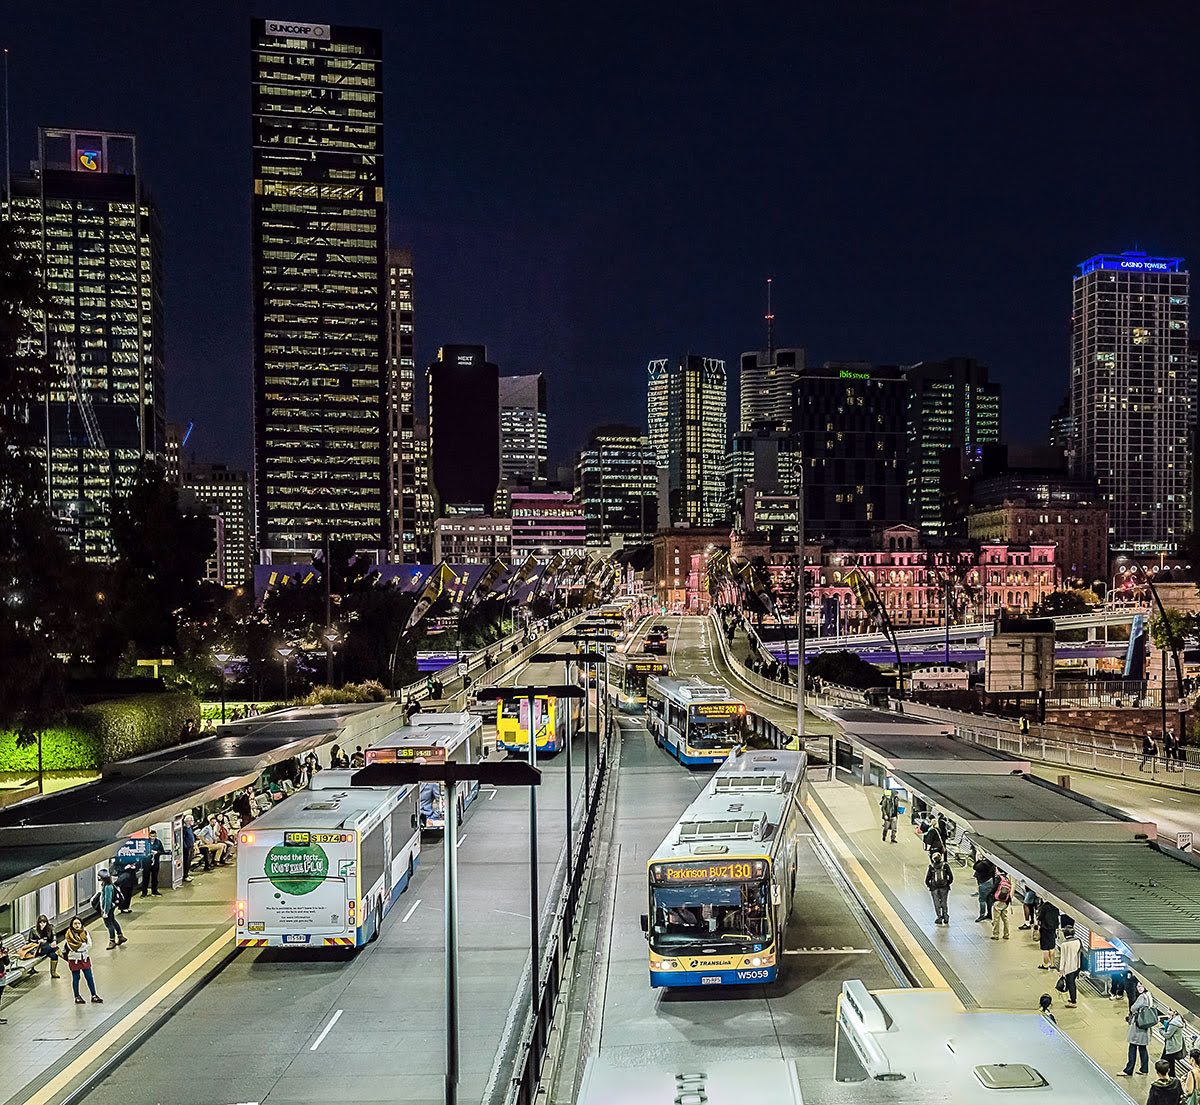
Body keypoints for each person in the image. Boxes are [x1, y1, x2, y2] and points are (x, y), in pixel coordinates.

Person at [64, 918, 102, 1004]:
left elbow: (90, 945)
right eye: (75, 923)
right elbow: (71, 947)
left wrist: (80, 947)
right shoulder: (68, 935)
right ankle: (77, 996)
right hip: (74, 959)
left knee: (89, 977)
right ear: (72, 925)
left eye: (78, 923)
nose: (77, 925)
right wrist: (83, 946)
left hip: (84, 958)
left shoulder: (85, 933)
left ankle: (94, 995)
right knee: (76, 978)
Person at [1122, 987, 1156, 1077]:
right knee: (1142, 1048)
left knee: (1132, 1047)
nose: (1138, 987)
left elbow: (1133, 1008)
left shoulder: (1142, 997)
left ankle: (1128, 1070)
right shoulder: (1149, 996)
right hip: (1146, 1027)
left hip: (1138, 1027)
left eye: (1141, 985)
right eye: (1137, 985)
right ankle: (1144, 1069)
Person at [98, 871, 126, 949]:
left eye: (99, 876)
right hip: (111, 907)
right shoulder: (109, 885)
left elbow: (108, 900)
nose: (98, 878)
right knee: (113, 921)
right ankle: (120, 936)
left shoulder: (107, 887)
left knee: (109, 924)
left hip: (108, 908)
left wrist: (105, 912)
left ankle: (112, 941)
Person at [925, 851, 953, 925]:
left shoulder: (931, 866)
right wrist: (947, 883)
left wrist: (929, 886)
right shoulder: (945, 865)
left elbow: (927, 879)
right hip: (944, 887)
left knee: (936, 903)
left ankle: (939, 918)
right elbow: (951, 876)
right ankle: (946, 917)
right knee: (944, 902)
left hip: (934, 888)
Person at [29, 914, 60, 978]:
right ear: (38, 923)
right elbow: (30, 940)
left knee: (54, 955)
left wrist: (54, 941)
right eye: (40, 922)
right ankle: (64, 956)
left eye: (44, 922)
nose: (42, 924)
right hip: (38, 949)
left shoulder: (50, 928)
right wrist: (38, 941)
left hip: (47, 948)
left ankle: (53, 973)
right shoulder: (34, 930)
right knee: (54, 948)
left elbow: (54, 935)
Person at [1058, 923, 1082, 1006]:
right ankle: (1072, 998)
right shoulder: (1078, 941)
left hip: (1068, 968)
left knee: (1071, 984)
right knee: (1072, 983)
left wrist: (1061, 970)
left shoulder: (1064, 944)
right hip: (1076, 966)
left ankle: (1073, 1001)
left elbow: (1063, 958)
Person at [1161, 1009, 1186, 1077]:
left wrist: (1161, 1031)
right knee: (1169, 1063)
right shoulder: (1177, 1020)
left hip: (1171, 1047)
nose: (1168, 1012)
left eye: (1170, 1010)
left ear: (1175, 1013)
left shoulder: (1174, 1023)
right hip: (1174, 1046)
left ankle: (1169, 1078)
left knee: (1168, 1064)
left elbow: (1167, 1035)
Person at [141, 829, 166, 897]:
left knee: (155, 877)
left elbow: (162, 851)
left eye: (154, 836)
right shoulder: (146, 842)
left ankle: (154, 891)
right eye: (151, 836)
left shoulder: (158, 842)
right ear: (149, 836)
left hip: (155, 862)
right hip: (147, 862)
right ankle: (144, 892)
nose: (152, 838)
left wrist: (157, 852)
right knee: (146, 877)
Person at [973, 854, 997, 922]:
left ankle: (982, 915)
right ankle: (990, 914)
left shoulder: (983, 864)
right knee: (989, 899)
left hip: (984, 883)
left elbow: (975, 867)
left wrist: (978, 860)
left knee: (982, 900)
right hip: (990, 881)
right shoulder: (991, 863)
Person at [1037, 900, 1060, 967]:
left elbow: (1040, 917)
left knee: (1045, 948)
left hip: (1045, 928)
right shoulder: (1055, 905)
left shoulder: (1045, 906)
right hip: (1053, 928)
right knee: (1052, 946)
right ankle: (1052, 964)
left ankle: (1045, 964)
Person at [992, 869, 1013, 940]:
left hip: (998, 901)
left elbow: (994, 889)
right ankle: (1006, 934)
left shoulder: (999, 878)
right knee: (1005, 919)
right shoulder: (1007, 878)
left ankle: (996, 934)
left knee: (996, 919)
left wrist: (991, 895)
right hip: (1005, 901)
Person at [182, 815, 196, 882]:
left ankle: (187, 873)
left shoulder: (189, 828)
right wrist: (185, 846)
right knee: (186, 861)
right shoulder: (185, 828)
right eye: (191, 820)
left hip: (191, 846)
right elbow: (183, 838)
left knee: (189, 860)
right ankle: (185, 875)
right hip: (187, 847)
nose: (192, 822)